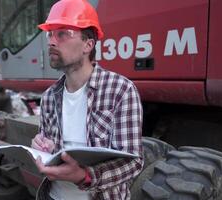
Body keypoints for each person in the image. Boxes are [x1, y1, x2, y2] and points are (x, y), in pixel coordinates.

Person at [31, 0, 143, 199]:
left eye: (62, 33)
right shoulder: (49, 97)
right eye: (50, 34)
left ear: (88, 44)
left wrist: (86, 176)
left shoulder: (120, 90)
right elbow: (49, 150)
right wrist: (41, 147)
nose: (51, 41)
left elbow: (133, 163)